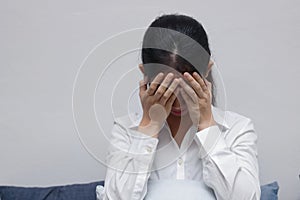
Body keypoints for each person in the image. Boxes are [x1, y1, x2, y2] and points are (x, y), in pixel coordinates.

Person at [97, 14, 261, 200]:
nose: (177, 101)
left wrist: (207, 126)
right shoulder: (126, 130)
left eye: (186, 86)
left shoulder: (237, 129)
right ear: (145, 74)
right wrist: (148, 128)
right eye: (166, 87)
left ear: (207, 70)